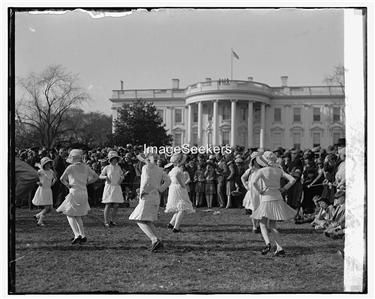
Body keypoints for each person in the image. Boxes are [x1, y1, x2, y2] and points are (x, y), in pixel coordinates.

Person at [251, 151, 297, 256]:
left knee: (262, 223)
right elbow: (293, 179)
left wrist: (260, 191)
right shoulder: (278, 170)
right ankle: (279, 248)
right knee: (273, 225)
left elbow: (253, 182)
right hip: (277, 197)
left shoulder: (262, 171)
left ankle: (268, 243)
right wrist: (284, 188)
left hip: (266, 197)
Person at [129, 152, 171, 252]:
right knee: (147, 220)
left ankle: (154, 239)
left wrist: (142, 191)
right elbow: (168, 181)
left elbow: (146, 179)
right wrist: (160, 189)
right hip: (155, 196)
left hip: (147, 196)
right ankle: (157, 240)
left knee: (138, 219)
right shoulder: (160, 170)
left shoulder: (146, 167)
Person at [56, 149, 99, 245]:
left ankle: (77, 235)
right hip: (84, 192)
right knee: (78, 214)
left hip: (74, 191)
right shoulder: (86, 167)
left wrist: (68, 185)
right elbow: (96, 177)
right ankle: (82, 235)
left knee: (69, 214)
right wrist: (87, 183)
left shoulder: (70, 168)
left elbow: (61, 179)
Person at [165, 153, 195, 232]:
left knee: (179, 207)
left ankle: (171, 224)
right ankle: (176, 227)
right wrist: (183, 185)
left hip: (173, 188)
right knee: (182, 208)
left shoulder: (172, 170)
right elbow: (177, 176)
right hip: (178, 188)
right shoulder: (178, 169)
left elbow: (168, 178)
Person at [99, 151, 124, 227]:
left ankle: (113, 220)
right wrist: (106, 177)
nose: (115, 160)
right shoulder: (107, 167)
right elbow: (100, 176)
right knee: (108, 204)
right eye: (113, 159)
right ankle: (106, 221)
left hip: (116, 187)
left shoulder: (118, 167)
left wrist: (121, 179)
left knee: (116, 205)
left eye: (116, 159)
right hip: (109, 187)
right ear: (110, 160)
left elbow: (122, 175)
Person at [241, 152, 262, 233]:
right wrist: (246, 186)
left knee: (262, 210)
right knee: (254, 209)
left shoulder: (263, 169)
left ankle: (260, 225)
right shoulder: (250, 170)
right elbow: (242, 177)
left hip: (261, 191)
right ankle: (254, 227)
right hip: (253, 192)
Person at [32, 157, 57, 226]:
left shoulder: (51, 171)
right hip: (42, 190)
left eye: (49, 163)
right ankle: (40, 221)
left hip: (48, 190)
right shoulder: (40, 171)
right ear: (44, 165)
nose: (48, 165)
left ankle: (37, 216)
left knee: (50, 209)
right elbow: (34, 177)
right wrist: (38, 182)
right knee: (47, 208)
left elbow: (55, 178)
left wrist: (52, 183)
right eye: (47, 164)